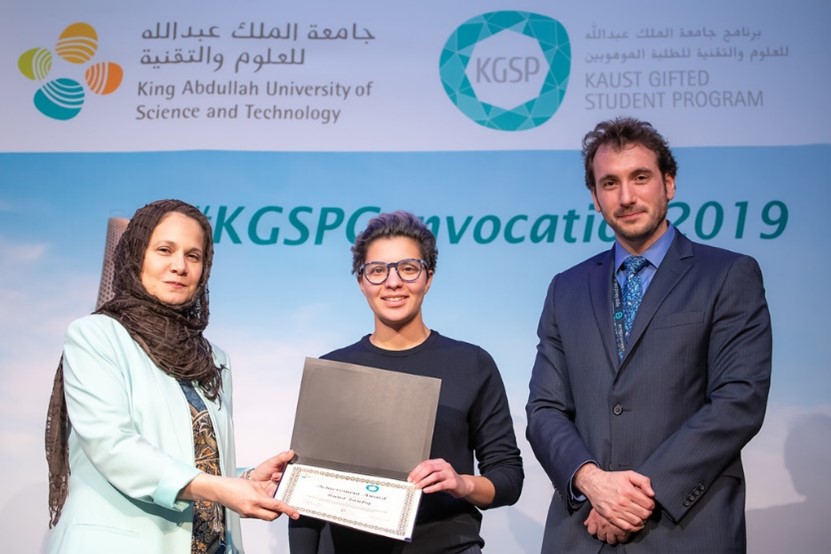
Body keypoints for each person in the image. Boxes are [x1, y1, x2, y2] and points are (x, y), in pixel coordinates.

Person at [526, 117, 772, 552]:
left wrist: (633, 498)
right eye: (610, 183)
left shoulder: (728, 275)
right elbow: (545, 408)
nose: (626, 197)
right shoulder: (566, 288)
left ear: (669, 183)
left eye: (640, 177)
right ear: (595, 198)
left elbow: (739, 401)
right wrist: (591, 481)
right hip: (583, 531)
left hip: (684, 529)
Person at [45, 199, 299, 553]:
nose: (179, 266)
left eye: (193, 256)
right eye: (164, 250)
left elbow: (195, 457)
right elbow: (112, 446)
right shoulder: (96, 335)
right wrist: (220, 489)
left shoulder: (213, 358)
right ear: (136, 256)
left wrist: (246, 479)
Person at [289, 211, 524, 553]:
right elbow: (305, 495)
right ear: (361, 282)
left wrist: (462, 483)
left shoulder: (471, 363)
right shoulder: (333, 370)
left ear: (429, 278)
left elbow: (508, 477)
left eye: (408, 268)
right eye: (377, 270)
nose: (393, 282)